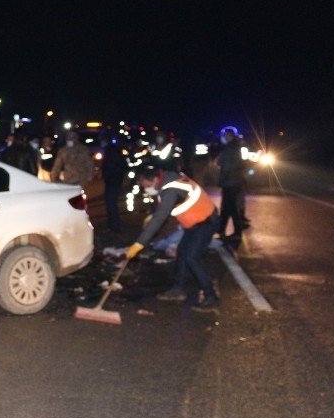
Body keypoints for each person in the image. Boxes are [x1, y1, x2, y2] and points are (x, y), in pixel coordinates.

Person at [126, 166, 221, 311]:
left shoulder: (170, 189)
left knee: (191, 257)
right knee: (183, 252)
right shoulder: (168, 179)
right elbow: (161, 211)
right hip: (195, 223)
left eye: (143, 183)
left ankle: (211, 297)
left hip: (206, 221)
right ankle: (178, 289)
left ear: (154, 179)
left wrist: (139, 244)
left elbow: (160, 217)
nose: (143, 187)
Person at [215, 126, 246, 239]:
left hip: (230, 182)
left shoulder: (230, 148)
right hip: (234, 181)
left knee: (230, 208)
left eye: (225, 135)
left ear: (229, 135)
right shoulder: (236, 146)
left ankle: (237, 232)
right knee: (227, 208)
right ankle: (221, 230)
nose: (223, 137)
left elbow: (225, 165)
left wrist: (223, 180)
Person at [100, 135, 127, 233]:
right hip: (113, 180)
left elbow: (113, 166)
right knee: (111, 204)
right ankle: (113, 226)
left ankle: (114, 227)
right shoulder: (112, 150)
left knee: (111, 204)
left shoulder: (111, 151)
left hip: (113, 181)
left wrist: (107, 175)